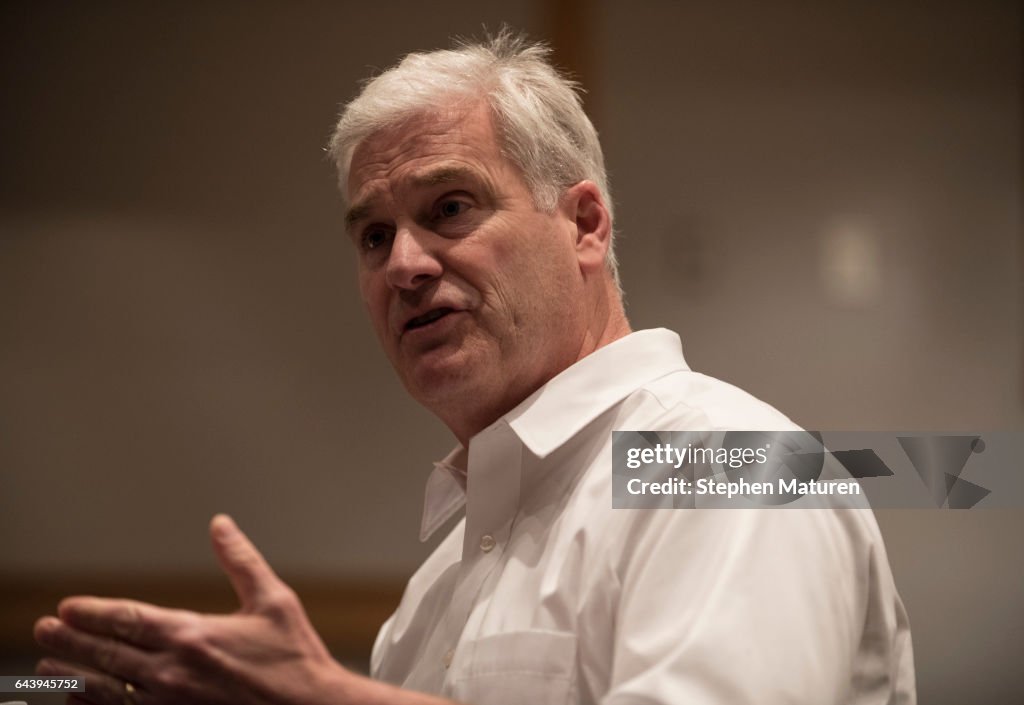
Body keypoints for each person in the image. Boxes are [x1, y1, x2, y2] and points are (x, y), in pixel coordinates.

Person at [33, 31, 915, 705]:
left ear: (585, 225)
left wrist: (328, 696)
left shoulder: (729, 459)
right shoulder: (437, 586)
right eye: (373, 235)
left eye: (449, 207)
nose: (403, 265)